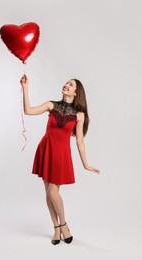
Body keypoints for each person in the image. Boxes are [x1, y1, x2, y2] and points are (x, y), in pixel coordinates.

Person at [20, 74, 101, 245]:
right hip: (46, 150)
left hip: (61, 155)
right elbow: (28, 111)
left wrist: (86, 164)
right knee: (48, 194)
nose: (66, 85)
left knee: (52, 192)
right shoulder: (51, 105)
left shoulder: (79, 115)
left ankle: (64, 225)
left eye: (70, 85)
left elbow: (79, 141)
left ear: (76, 92)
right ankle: (56, 228)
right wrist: (25, 89)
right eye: (66, 83)